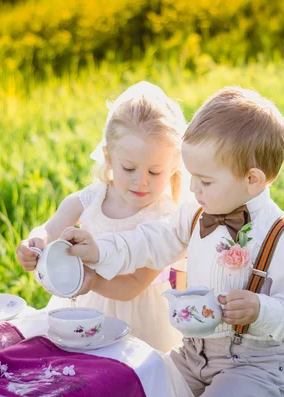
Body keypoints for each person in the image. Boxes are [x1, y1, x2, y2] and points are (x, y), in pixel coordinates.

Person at [59, 86, 284, 396]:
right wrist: (100, 250)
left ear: (252, 180)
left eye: (205, 180)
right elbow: (151, 240)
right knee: (139, 382)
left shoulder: (283, 238)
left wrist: (262, 308)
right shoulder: (196, 211)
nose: (193, 187)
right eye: (192, 176)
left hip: (258, 365)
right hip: (192, 354)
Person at [16, 81, 187, 353]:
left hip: (139, 318)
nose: (141, 181)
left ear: (173, 167)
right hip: (85, 305)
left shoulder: (164, 219)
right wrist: (35, 241)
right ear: (108, 157)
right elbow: (50, 228)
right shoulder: (92, 198)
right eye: (129, 168)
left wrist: (93, 280)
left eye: (155, 172)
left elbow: (133, 286)